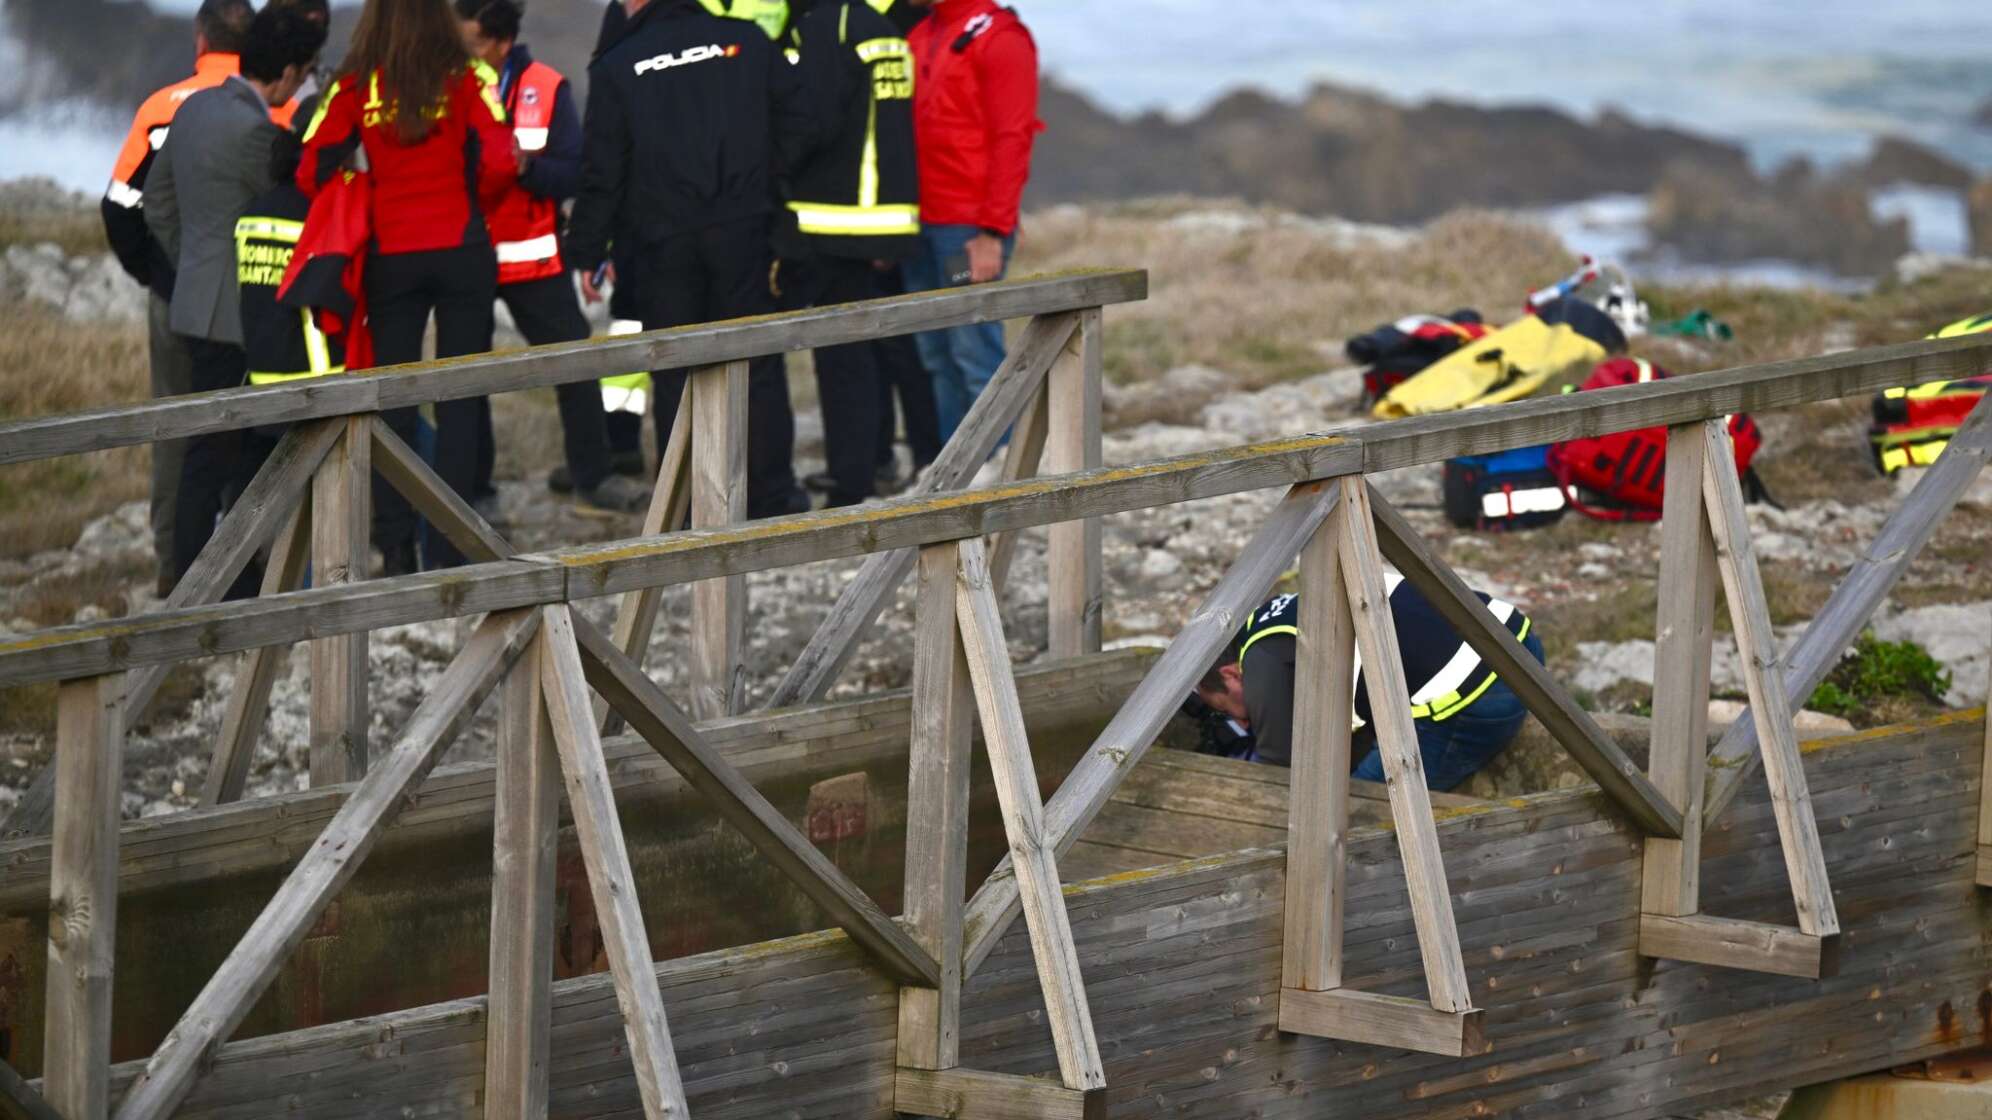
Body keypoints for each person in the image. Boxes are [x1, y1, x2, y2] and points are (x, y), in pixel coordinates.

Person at [570, 0, 810, 520]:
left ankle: (687, 507)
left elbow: (602, 173)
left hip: (661, 244)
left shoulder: (617, 63)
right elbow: (795, 129)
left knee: (676, 371)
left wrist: (588, 252)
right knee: (758, 365)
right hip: (745, 229)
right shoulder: (746, 41)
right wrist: (773, 201)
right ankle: (771, 499)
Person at [299, 0, 517, 570]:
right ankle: (451, 548)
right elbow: (501, 160)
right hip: (462, 249)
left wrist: (361, 194)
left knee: (392, 401)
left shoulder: (354, 83)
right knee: (461, 399)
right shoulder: (471, 75)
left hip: (390, 256)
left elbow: (310, 163)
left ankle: (395, 548)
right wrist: (475, 205)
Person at [145, 5, 326, 595]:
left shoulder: (192, 109)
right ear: (287, 74)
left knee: (206, 447)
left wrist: (193, 267)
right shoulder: (257, 135)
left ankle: (195, 577)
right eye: (299, 76)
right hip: (235, 312)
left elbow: (157, 205)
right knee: (225, 452)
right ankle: (217, 585)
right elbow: (282, 209)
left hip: (194, 301)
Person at [455, 0, 648, 516]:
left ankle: (594, 478)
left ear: (498, 41)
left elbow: (574, 173)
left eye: (471, 42)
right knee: (463, 381)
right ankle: (474, 494)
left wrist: (525, 168)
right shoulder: (446, 83)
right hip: (466, 259)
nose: (463, 51)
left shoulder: (548, 85)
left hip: (534, 260)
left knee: (574, 365)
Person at [101, 0, 256, 594]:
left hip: (176, 292)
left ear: (199, 40)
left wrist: (162, 279)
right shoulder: (274, 107)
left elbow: (119, 207)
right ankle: (248, 568)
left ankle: (175, 572)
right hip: (254, 297)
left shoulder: (161, 107)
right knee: (248, 430)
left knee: (176, 429)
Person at [1191, 584, 1544, 792]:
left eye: (1226, 708)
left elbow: (1280, 772)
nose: (1243, 720)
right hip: (1516, 640)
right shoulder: (1277, 615)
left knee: (1353, 814)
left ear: (1232, 675)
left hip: (1475, 696)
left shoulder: (1260, 660)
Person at [775, 0, 920, 507]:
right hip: (876, 219)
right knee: (864, 353)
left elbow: (810, 121)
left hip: (826, 219)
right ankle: (860, 469)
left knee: (835, 357)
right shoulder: (878, 28)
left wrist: (768, 169)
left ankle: (844, 483)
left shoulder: (825, 25)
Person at [902, 0, 1040, 441]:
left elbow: (1012, 139)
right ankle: (952, 481)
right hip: (917, 231)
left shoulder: (1001, 38)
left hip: (966, 235)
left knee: (972, 351)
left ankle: (998, 477)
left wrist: (992, 233)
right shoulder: (919, 35)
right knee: (937, 356)